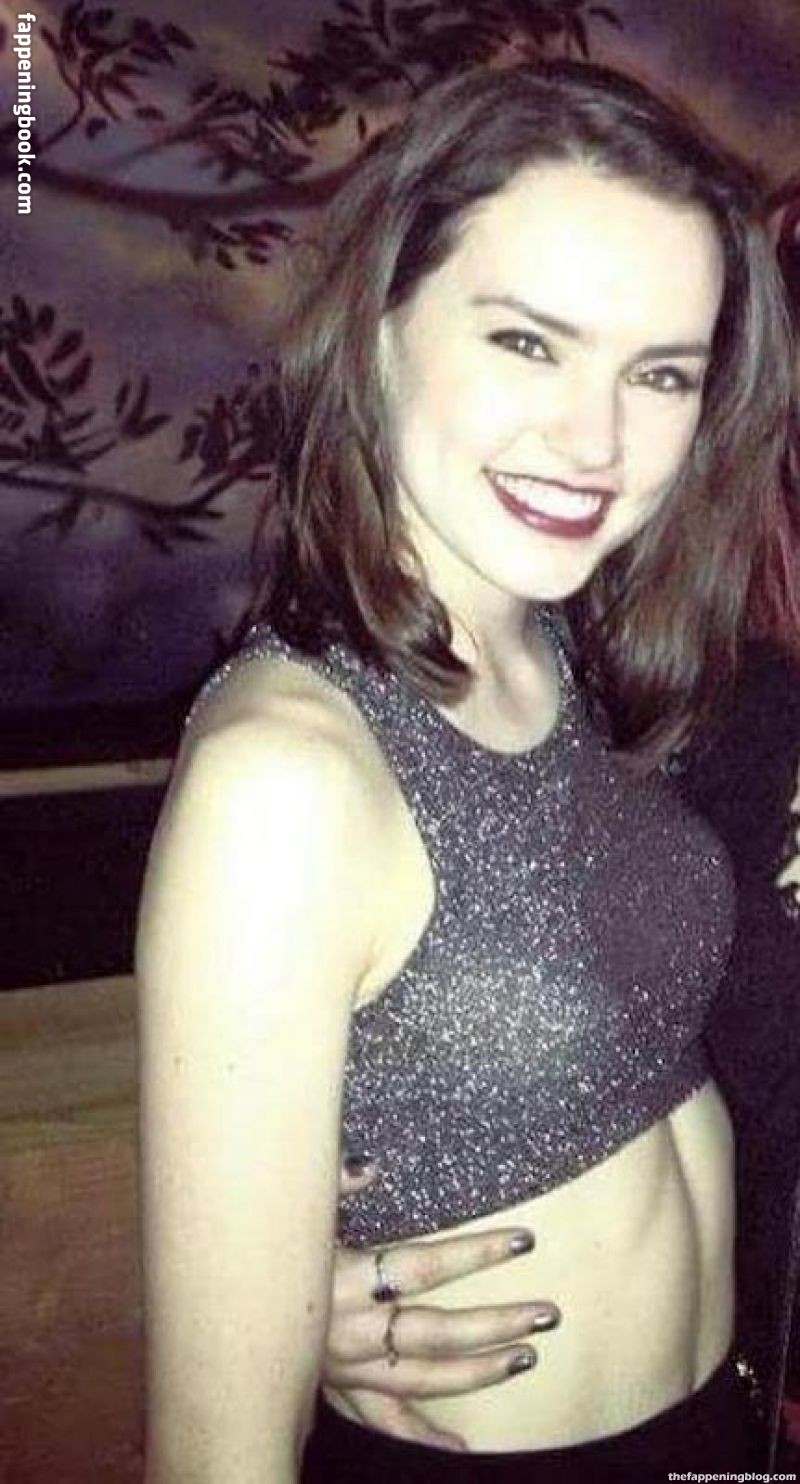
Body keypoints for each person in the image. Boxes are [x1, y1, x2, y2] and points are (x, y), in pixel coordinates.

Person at [136, 60, 797, 1483]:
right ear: (381, 327)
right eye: (527, 343)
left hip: (712, 1433)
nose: (597, 440)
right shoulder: (285, 779)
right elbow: (214, 1455)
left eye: (660, 374)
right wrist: (278, 1314)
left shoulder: (568, 651)